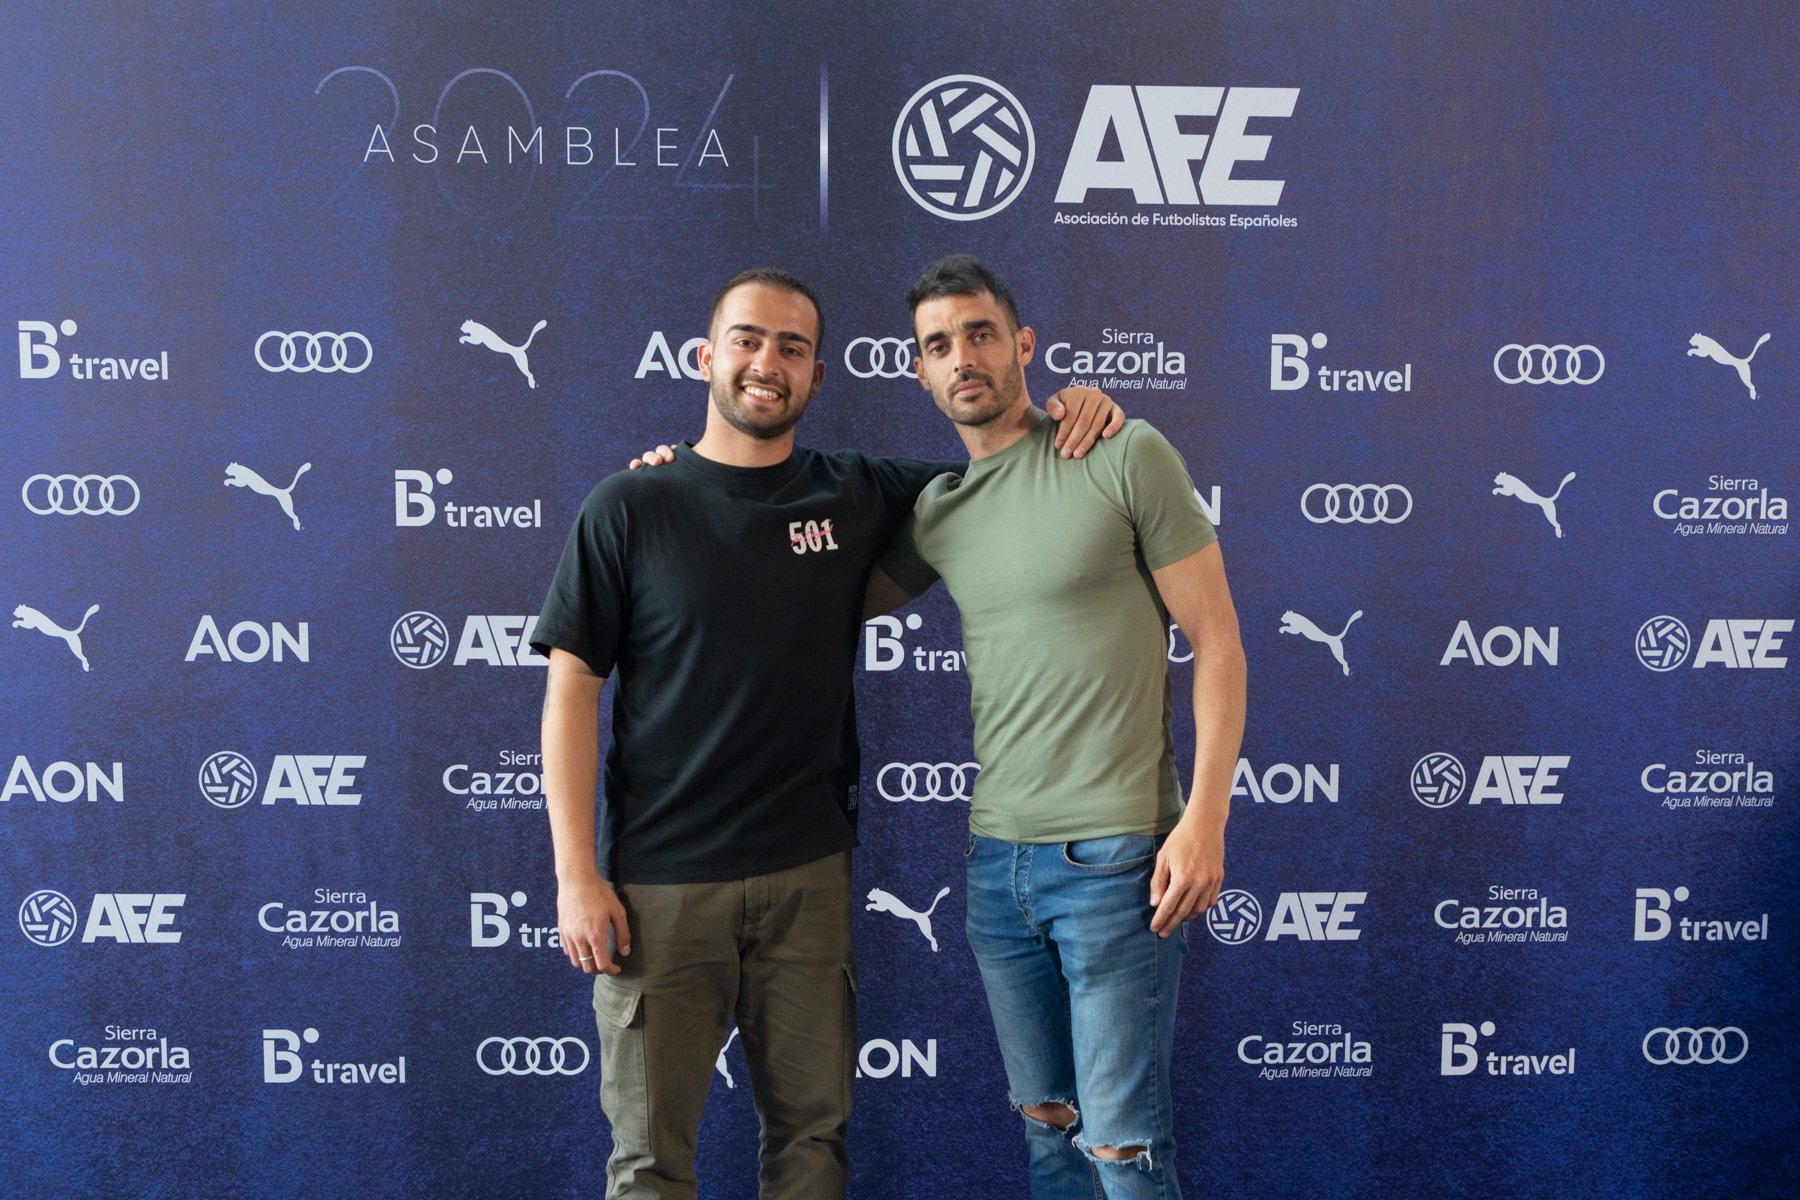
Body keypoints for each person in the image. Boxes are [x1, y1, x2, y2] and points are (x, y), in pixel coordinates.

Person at [531, 267, 1124, 1200]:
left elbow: (999, 471)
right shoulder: (628, 506)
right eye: (747, 340)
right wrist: (576, 875)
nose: (767, 362)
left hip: (807, 879)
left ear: (817, 374)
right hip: (659, 887)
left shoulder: (854, 491)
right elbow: (571, 690)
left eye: (793, 347)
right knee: (648, 1165)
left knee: (812, 1144)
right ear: (706, 357)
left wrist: (1073, 412)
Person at [864, 255, 1246, 1200]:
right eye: (939, 345)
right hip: (997, 870)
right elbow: (799, 581)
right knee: (1049, 1137)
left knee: (1123, 1151)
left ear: (1023, 344)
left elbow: (1219, 642)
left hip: (1118, 862)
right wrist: (685, 480)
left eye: (981, 333)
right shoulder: (938, 513)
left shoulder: (1122, 452)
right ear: (919, 370)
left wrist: (1205, 820)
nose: (963, 357)